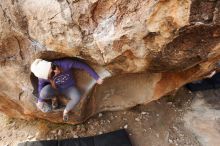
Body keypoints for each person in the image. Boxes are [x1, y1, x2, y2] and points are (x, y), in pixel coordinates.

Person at [30, 58, 103, 121]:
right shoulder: (43, 77)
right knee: (43, 93)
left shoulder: (64, 64)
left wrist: (96, 77)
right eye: (52, 74)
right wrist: (40, 101)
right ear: (47, 77)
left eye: (53, 67)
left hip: (68, 88)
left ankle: (65, 111)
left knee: (77, 96)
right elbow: (40, 85)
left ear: (52, 64)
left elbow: (82, 65)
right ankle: (54, 97)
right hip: (56, 88)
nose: (56, 71)